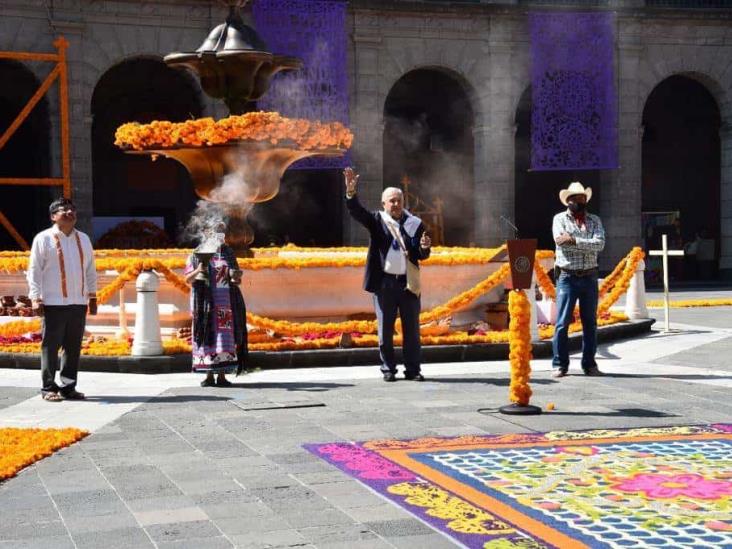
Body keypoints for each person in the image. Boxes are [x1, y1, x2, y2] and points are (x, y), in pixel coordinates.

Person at [343, 167, 431, 382]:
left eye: (398, 200)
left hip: (408, 283)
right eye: (391, 201)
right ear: (384, 204)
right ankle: (388, 369)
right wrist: (351, 193)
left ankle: (413, 370)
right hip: (384, 284)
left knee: (412, 331)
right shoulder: (377, 220)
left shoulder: (415, 224)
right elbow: (357, 212)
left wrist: (425, 247)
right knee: (385, 330)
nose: (396, 204)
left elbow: (420, 254)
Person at [27, 197, 97, 402]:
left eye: (72, 209)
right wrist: (35, 298)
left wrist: (92, 296)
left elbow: (91, 270)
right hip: (53, 302)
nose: (69, 212)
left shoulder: (83, 238)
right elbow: (34, 270)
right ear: (53, 216)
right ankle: (48, 387)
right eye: (63, 210)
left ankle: (68, 386)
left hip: (78, 301)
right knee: (50, 346)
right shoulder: (43, 238)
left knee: (73, 346)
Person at [551, 182, 605, 378]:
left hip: (590, 276)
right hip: (567, 276)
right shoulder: (559, 219)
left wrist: (573, 240)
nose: (578, 201)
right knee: (562, 323)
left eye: (581, 198)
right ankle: (559, 364)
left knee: (590, 323)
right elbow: (561, 244)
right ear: (568, 200)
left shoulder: (595, 220)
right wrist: (583, 243)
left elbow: (600, 245)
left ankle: (589, 364)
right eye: (574, 199)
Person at [184, 224, 247, 387]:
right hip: (205, 304)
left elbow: (235, 276)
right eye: (216, 232)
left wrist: (236, 277)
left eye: (221, 233)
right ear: (207, 234)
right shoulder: (197, 253)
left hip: (225, 303)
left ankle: (222, 375)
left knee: (224, 338)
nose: (220, 236)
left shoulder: (228, 252)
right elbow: (188, 279)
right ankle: (208, 375)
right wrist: (198, 269)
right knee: (205, 337)